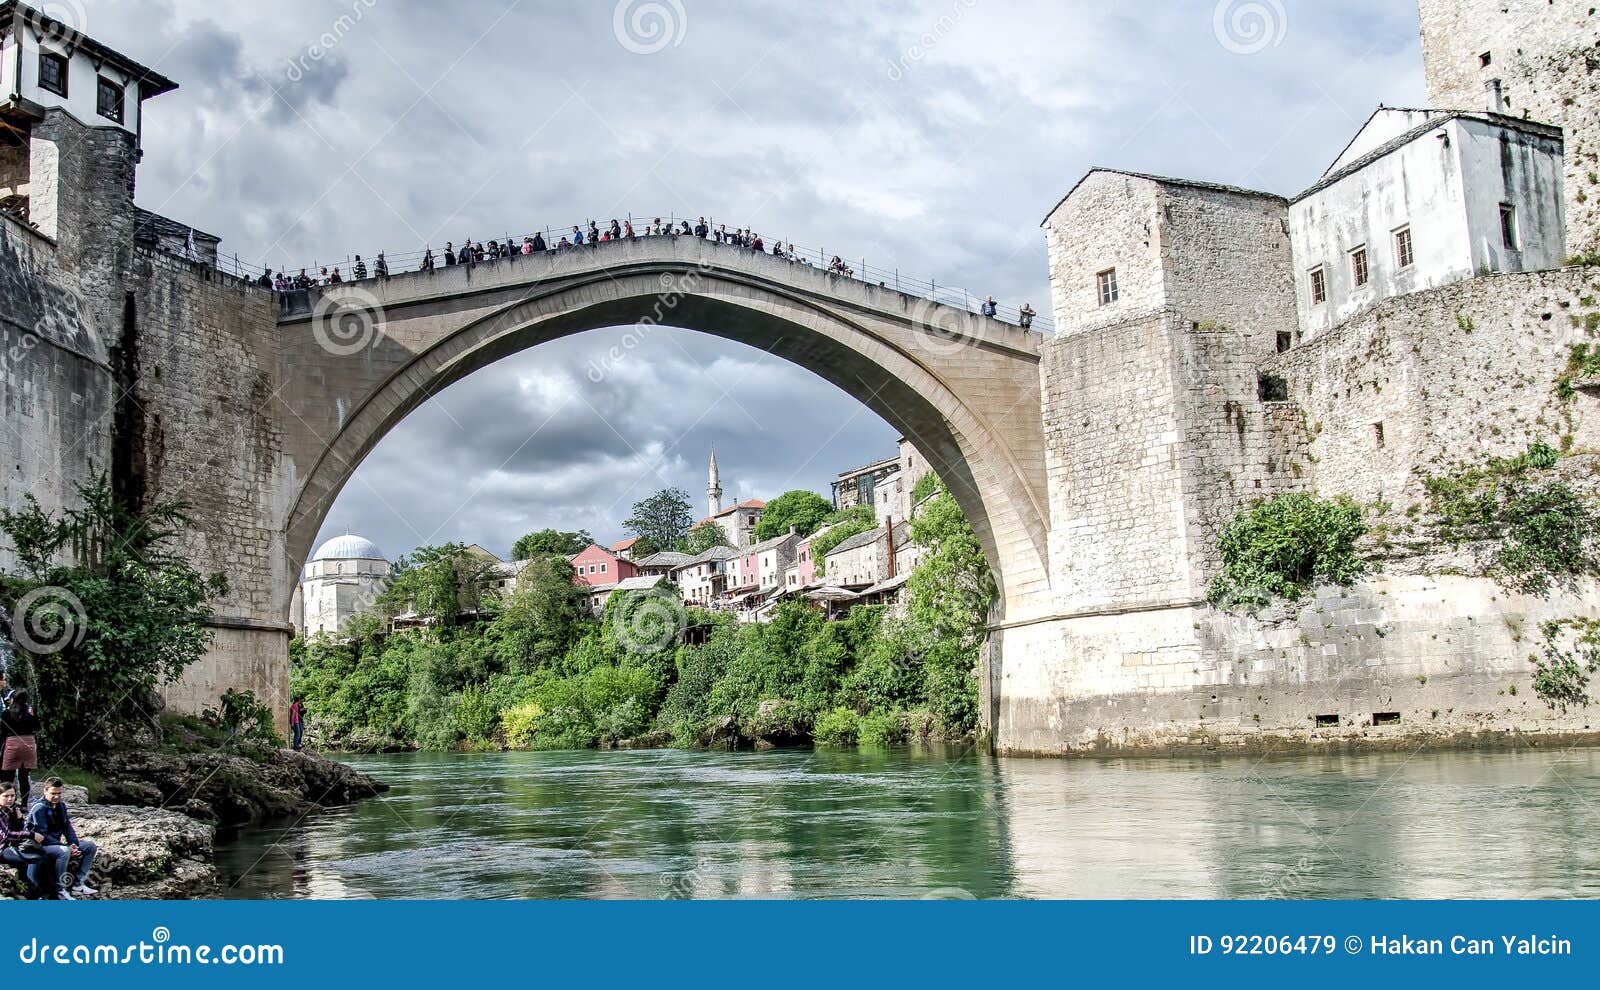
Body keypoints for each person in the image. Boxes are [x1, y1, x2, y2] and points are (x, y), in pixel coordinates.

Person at [26, 778, 95, 899]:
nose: (56, 796)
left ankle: (78, 884)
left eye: (59, 793)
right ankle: (60, 889)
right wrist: (66, 847)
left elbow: (67, 827)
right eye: (53, 793)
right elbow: (42, 835)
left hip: (57, 843)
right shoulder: (39, 808)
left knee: (90, 846)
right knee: (64, 851)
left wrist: (73, 843)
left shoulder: (61, 806)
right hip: (41, 845)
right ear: (45, 791)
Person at [0, 786, 54, 899]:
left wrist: (19, 818)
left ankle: (51, 890)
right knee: (33, 859)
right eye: (6, 796)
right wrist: (31, 834)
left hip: (13, 846)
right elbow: (7, 835)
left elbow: (20, 829)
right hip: (3, 849)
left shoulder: (10, 809)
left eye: (12, 796)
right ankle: (35, 894)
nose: (10, 799)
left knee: (44, 856)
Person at [0, 690, 39, 802]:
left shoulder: (6, 713)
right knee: (24, 777)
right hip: (29, 743)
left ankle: (8, 801)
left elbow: (3, 732)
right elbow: (37, 726)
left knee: (8, 776)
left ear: (13, 699)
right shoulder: (32, 711)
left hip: (12, 743)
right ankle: (24, 804)